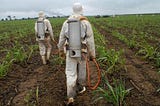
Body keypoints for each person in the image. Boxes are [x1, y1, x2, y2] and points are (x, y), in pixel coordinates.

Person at [57, 3, 95, 105]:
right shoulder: (86, 23)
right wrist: (92, 54)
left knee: (70, 72)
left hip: (70, 51)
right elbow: (90, 41)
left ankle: (70, 95)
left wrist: (60, 50)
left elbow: (61, 39)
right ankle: (81, 87)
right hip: (82, 51)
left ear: (72, 10)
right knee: (82, 69)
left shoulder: (66, 22)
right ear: (82, 9)